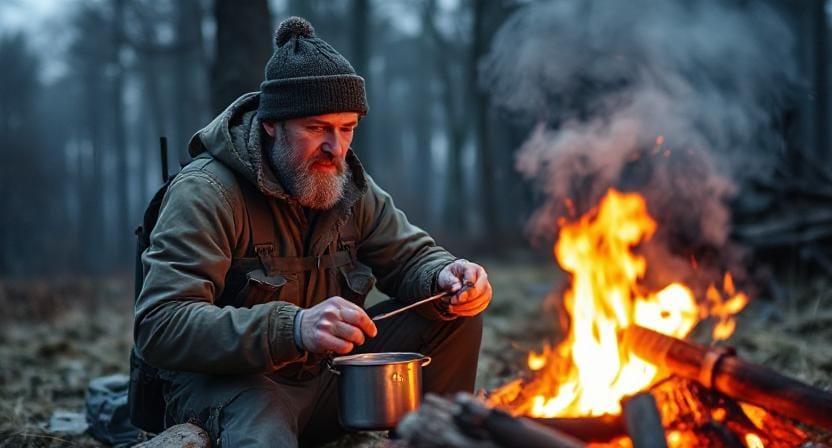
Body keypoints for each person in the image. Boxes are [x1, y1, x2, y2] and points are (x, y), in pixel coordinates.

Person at [133, 16, 492, 448]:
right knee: (261, 415)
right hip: (229, 391)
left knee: (453, 318)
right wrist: (294, 328)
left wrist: (446, 276)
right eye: (317, 128)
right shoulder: (207, 192)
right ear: (271, 124)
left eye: (346, 129)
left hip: (329, 381)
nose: (336, 148)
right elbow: (160, 324)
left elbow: (411, 257)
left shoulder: (347, 184)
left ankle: (432, 441)